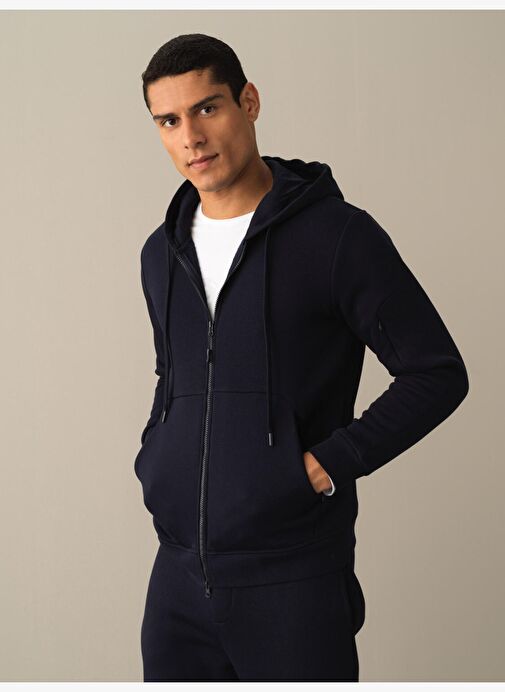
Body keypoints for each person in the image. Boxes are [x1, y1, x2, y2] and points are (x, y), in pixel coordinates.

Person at [134, 33, 469, 682]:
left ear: (248, 102)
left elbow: (436, 372)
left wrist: (324, 464)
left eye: (207, 108)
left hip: (292, 579)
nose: (191, 137)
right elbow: (174, 375)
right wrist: (158, 453)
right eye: (168, 121)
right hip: (177, 579)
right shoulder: (161, 254)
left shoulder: (337, 237)